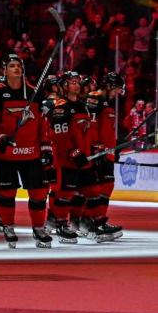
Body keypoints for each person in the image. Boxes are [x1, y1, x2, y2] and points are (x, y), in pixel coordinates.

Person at [0, 54, 53, 249]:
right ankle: (8, 226)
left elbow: (41, 123)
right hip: (6, 154)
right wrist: (0, 139)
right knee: (7, 192)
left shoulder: (34, 92)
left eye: (18, 65)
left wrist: (45, 146)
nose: (16, 69)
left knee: (38, 192)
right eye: (12, 65)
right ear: (4, 70)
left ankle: (39, 228)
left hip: (31, 153)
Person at [43, 71, 112, 243]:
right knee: (65, 193)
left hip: (84, 158)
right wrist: (75, 153)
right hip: (67, 159)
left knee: (93, 191)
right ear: (65, 86)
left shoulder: (82, 106)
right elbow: (59, 137)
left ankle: (95, 223)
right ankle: (60, 224)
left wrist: (93, 148)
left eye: (77, 82)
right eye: (72, 82)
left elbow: (85, 133)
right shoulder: (60, 107)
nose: (76, 85)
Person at [83, 72, 125, 239]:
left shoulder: (104, 101)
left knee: (104, 186)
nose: (117, 93)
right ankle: (95, 222)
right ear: (109, 86)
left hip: (105, 151)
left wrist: (114, 147)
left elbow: (106, 129)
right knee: (101, 186)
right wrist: (97, 148)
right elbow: (91, 126)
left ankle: (94, 221)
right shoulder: (95, 99)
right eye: (116, 89)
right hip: (98, 152)